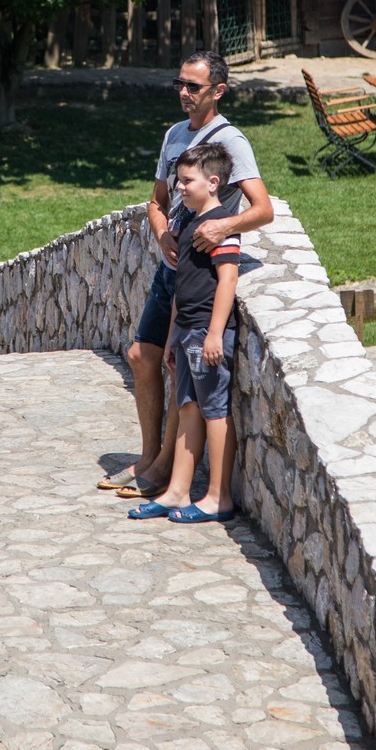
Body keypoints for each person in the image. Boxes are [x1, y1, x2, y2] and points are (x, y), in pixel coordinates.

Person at [98, 51, 273, 499]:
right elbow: (157, 200)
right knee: (142, 355)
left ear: (218, 91)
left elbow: (262, 209)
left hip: (199, 273)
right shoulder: (174, 135)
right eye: (179, 84)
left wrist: (221, 226)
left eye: (193, 87)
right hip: (169, 267)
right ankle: (150, 455)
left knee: (178, 365)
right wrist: (161, 234)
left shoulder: (231, 141)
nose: (184, 93)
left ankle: (162, 471)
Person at [128, 143, 241, 523]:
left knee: (215, 412)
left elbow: (227, 279)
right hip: (188, 331)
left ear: (212, 183)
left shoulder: (220, 226)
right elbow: (180, 286)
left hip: (208, 333)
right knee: (188, 409)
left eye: (186, 181)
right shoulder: (188, 222)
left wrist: (214, 334)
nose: (178, 187)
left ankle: (217, 498)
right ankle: (177, 491)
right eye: (177, 180)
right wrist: (175, 333)